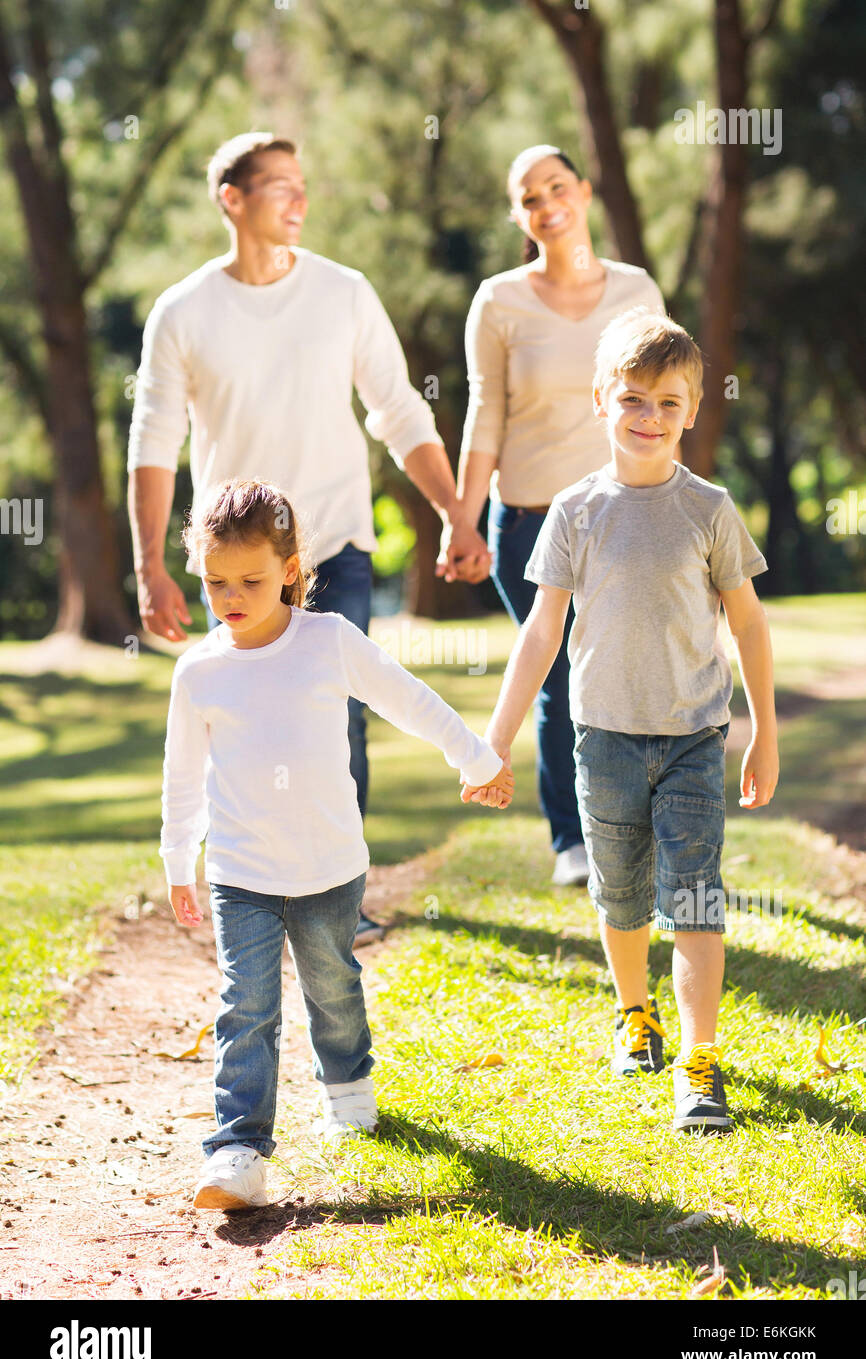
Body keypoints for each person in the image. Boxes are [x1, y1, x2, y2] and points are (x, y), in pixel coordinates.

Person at [128, 131, 489, 947]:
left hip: (332, 539)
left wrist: (455, 513)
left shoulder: (344, 291)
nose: (299, 200)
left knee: (341, 714)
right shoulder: (182, 312)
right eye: (279, 186)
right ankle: (256, 884)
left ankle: (336, 898)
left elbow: (397, 409)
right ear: (233, 198)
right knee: (248, 719)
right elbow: (154, 442)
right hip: (239, 561)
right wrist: (151, 562)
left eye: (302, 183)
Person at [464, 307, 779, 1131]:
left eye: (668, 403)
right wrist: (491, 744)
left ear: (693, 411)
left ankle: (699, 1061)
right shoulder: (573, 511)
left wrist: (764, 734)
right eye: (633, 398)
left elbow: (747, 624)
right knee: (622, 896)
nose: (649, 417)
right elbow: (540, 634)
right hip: (600, 736)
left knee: (697, 897)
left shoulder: (708, 509)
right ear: (601, 399)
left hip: (692, 739)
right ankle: (634, 1013)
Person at [161, 479, 513, 1210]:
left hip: (328, 870)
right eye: (215, 581)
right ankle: (237, 1148)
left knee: (333, 989)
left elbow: (407, 697)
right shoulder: (198, 672)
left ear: (290, 570)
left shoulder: (328, 641)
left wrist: (475, 758)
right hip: (241, 874)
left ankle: (347, 1084)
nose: (231, 595)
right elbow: (183, 777)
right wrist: (177, 861)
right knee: (244, 1006)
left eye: (251, 580)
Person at [453, 145, 666, 889]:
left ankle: (639, 822)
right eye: (528, 197)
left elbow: (660, 396)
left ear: (582, 191)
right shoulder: (499, 300)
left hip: (626, 513)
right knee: (556, 673)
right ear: (519, 214)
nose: (546, 205)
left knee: (633, 669)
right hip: (530, 518)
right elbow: (485, 415)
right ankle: (573, 839)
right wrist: (463, 518)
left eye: (556, 188)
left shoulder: (637, 289)